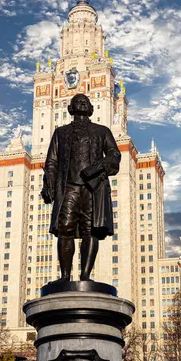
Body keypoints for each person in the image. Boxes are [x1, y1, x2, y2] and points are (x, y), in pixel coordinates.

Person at [41, 93, 121, 281]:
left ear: (91, 108)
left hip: (93, 188)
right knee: (65, 228)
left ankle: (85, 275)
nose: (82, 102)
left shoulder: (102, 131)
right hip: (68, 187)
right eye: (78, 101)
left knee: (90, 229)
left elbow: (114, 155)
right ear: (71, 108)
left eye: (86, 101)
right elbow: (51, 161)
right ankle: (65, 276)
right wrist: (49, 185)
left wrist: (97, 167)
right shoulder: (61, 132)